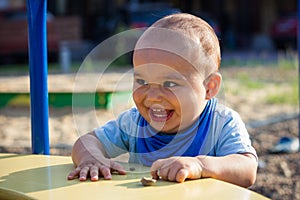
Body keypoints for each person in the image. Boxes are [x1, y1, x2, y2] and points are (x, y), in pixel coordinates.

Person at [67, 13, 258, 188]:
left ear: (210, 87)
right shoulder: (134, 123)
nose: (152, 96)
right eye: (142, 81)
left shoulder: (221, 123)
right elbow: (87, 141)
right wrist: (92, 158)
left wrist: (201, 165)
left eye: (169, 83)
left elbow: (247, 168)